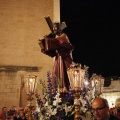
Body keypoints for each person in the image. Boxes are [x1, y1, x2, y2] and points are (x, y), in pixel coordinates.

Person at [39, 21, 74, 92]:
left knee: (64, 74)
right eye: (53, 27)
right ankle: (57, 91)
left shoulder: (64, 35)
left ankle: (65, 90)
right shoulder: (57, 37)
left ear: (59, 28)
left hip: (65, 59)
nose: (54, 29)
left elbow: (57, 41)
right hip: (58, 58)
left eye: (55, 27)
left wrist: (47, 39)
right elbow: (53, 45)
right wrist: (43, 42)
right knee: (56, 74)